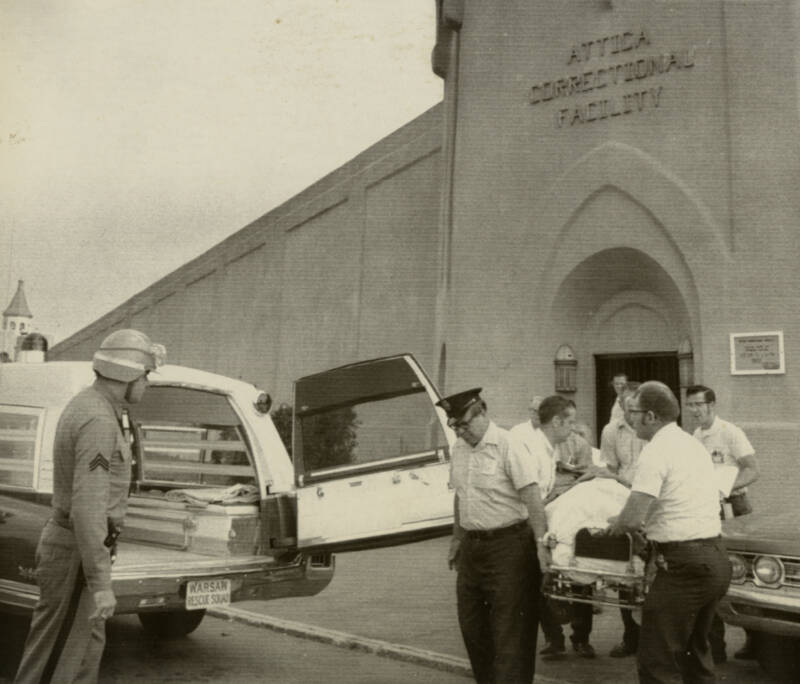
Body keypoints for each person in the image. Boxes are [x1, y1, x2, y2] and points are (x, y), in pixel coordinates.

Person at [14, 329, 165, 684]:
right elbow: (87, 506)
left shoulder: (96, 407)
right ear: (127, 374)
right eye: (145, 375)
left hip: (81, 550)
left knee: (83, 653)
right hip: (76, 554)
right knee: (53, 663)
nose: (147, 383)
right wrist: (100, 583)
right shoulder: (97, 419)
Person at [608, 381, 731, 683]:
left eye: (632, 412)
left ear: (650, 416)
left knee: (657, 663)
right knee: (695, 656)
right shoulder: (691, 444)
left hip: (682, 568)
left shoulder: (656, 451)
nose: (628, 418)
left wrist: (613, 524)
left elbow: (633, 515)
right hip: (713, 559)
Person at [441, 388, 548, 683]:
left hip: (510, 547)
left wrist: (541, 545)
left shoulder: (508, 445)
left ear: (483, 412)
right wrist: (457, 538)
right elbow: (461, 496)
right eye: (455, 426)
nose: (461, 432)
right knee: (473, 629)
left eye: (464, 424)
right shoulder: (460, 450)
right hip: (472, 550)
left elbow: (532, 496)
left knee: (510, 635)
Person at [687, 384, 759, 663]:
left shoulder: (730, 432)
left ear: (711, 405)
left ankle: (755, 640)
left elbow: (753, 469)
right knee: (712, 577)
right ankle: (714, 648)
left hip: (734, 508)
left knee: (744, 575)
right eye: (690, 405)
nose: (693, 411)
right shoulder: (695, 435)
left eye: (698, 405)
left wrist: (726, 488)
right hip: (708, 510)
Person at [534, 396, 596, 660]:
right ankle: (553, 638)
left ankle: (581, 638)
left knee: (580, 573)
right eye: (568, 422)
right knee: (544, 576)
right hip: (546, 511)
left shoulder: (579, 443)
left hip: (571, 509)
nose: (572, 427)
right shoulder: (538, 447)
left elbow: (586, 476)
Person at [597, 385, 647, 658]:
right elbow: (608, 469)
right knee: (625, 575)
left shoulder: (653, 428)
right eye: (626, 409)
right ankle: (631, 637)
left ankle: (654, 638)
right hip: (624, 502)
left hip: (650, 504)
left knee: (650, 573)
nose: (630, 415)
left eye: (634, 410)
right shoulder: (610, 431)